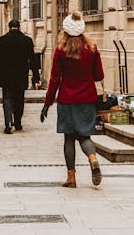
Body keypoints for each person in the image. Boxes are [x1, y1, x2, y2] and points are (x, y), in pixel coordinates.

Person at [40, 11, 103, 188]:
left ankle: (71, 178)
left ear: (65, 31)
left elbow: (54, 79)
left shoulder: (61, 50)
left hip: (67, 99)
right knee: (85, 136)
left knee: (69, 138)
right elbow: (99, 75)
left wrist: (47, 103)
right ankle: (92, 158)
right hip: (87, 99)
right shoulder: (91, 49)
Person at [0, 18, 40, 133]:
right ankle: (18, 122)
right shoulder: (26, 40)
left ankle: (8, 122)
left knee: (7, 98)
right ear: (19, 27)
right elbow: (33, 60)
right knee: (19, 99)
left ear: (9, 27)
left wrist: (1, 68)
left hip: (6, 75)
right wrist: (36, 77)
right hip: (20, 75)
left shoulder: (3, 40)